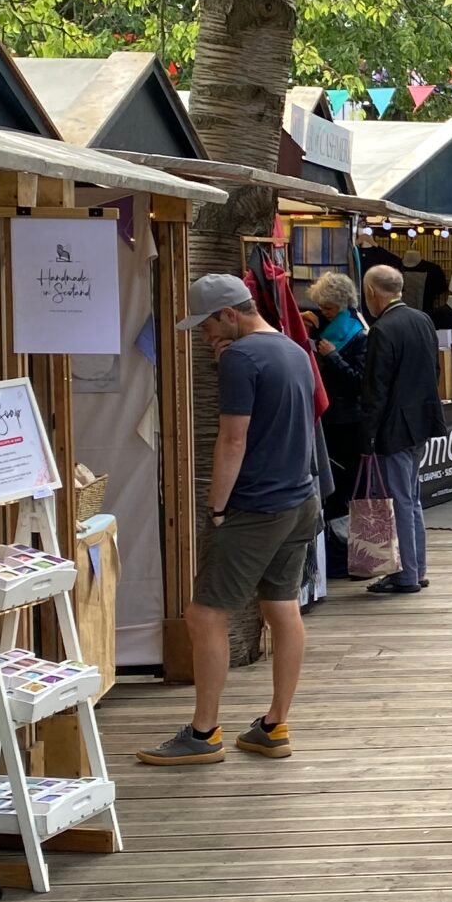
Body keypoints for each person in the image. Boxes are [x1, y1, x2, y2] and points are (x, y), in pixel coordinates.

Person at [140, 274, 323, 764]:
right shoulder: (292, 349)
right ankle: (274, 724)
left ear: (229, 314)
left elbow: (233, 440)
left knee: (204, 614)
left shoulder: (241, 359)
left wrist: (217, 507)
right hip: (299, 497)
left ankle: (203, 734)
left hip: (256, 504)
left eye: (207, 325)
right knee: (281, 606)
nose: (205, 337)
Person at [357, 264, 443, 597]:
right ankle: (416, 568)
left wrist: (368, 435)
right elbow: (433, 370)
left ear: (370, 292)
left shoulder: (382, 330)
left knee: (401, 501)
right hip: (420, 421)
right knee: (411, 498)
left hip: (393, 426)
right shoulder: (422, 319)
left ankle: (407, 574)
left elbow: (375, 389)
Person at [307, 273, 370, 580]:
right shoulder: (332, 327)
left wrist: (332, 358)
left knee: (345, 490)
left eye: (328, 308)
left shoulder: (357, 335)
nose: (323, 313)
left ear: (341, 305)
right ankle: (338, 554)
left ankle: (351, 555)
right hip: (331, 421)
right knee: (335, 493)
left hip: (349, 423)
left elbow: (360, 382)